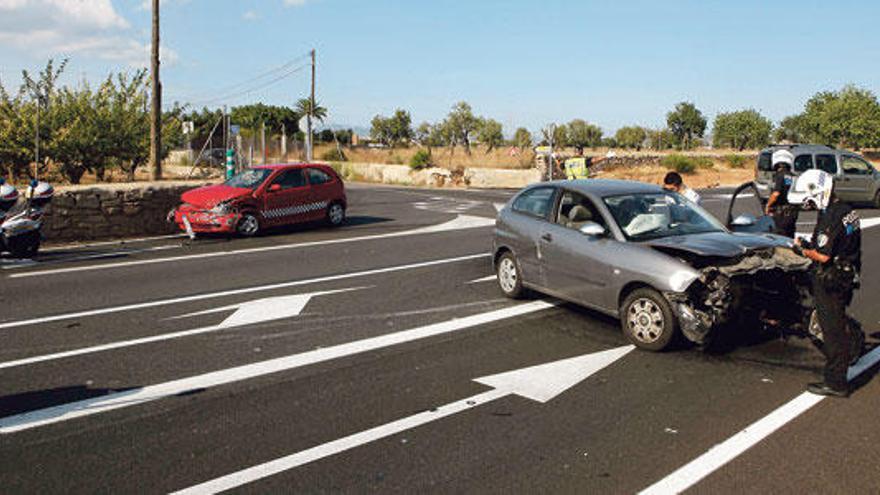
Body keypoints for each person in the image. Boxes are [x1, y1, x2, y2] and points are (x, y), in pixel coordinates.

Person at [792, 170, 863, 398]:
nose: (808, 203)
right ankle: (839, 373)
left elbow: (822, 256)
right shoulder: (847, 210)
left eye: (809, 198)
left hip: (830, 280)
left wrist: (802, 249)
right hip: (845, 274)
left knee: (832, 331)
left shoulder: (830, 216)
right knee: (837, 324)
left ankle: (836, 382)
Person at [765, 149, 798, 237]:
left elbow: (776, 194)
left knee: (779, 237)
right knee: (790, 236)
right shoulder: (793, 176)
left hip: (781, 214)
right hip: (793, 212)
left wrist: (768, 205)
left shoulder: (779, 176)